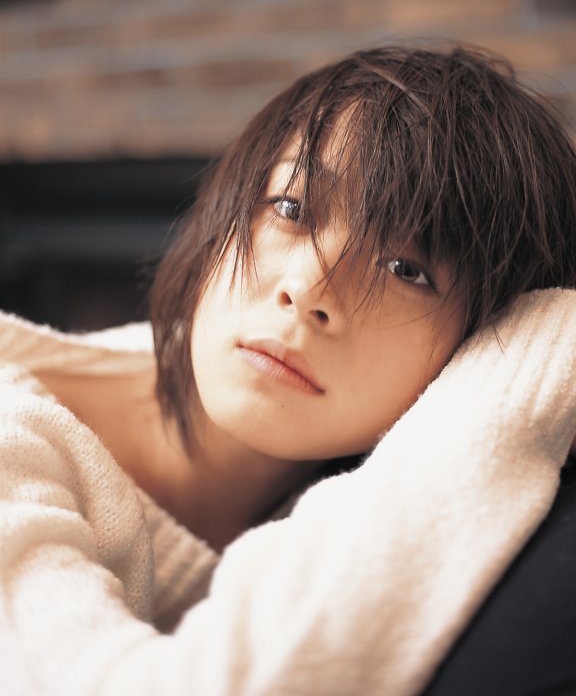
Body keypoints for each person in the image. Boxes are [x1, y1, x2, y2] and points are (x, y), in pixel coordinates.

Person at [1, 45, 575, 696]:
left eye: (407, 270)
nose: (307, 290)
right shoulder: (12, 438)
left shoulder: (339, 490)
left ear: (481, 341)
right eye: (292, 209)